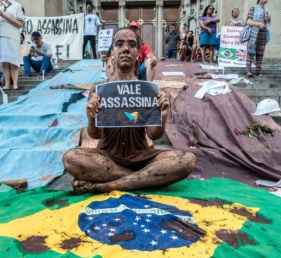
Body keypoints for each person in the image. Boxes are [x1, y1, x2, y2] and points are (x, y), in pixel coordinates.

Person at [63, 27, 196, 194]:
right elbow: (96, 135)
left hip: (142, 158)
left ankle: (106, 186)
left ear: (138, 53)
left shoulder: (147, 90)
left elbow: (154, 135)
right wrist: (91, 118)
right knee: (71, 159)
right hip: (107, 158)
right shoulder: (99, 89)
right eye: (119, 44)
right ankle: (147, 179)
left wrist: (162, 117)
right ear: (112, 52)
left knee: (187, 160)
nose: (125, 49)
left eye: (131, 45)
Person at [0, 0, 24, 90]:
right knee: (4, 60)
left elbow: (20, 24)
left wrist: (3, 14)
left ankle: (15, 84)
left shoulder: (17, 5)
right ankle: (7, 84)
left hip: (12, 34)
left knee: (13, 59)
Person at [245, 0, 271, 78]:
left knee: (260, 53)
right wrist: (258, 24)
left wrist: (269, 20)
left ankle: (258, 70)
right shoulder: (253, 8)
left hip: (263, 34)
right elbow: (248, 21)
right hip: (254, 33)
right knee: (250, 52)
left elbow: (267, 24)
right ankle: (248, 70)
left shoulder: (266, 10)